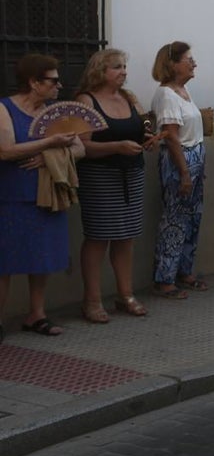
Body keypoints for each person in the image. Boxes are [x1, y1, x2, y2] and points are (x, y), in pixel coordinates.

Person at [0, 54, 85, 340]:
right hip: (12, 194)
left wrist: (49, 157)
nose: (59, 85)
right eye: (53, 80)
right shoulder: (4, 109)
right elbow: (6, 150)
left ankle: (36, 314)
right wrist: (49, 143)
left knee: (41, 257)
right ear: (34, 82)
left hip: (46, 195)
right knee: (5, 259)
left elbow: (79, 150)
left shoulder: (54, 113)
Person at [74, 49, 152, 322]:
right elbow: (81, 145)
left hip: (132, 173)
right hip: (99, 176)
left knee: (126, 236)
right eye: (117, 67)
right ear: (100, 71)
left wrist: (151, 136)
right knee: (98, 237)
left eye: (124, 67)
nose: (124, 72)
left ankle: (125, 294)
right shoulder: (86, 100)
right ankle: (92, 301)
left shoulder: (129, 98)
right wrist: (116, 146)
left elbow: (145, 126)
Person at [151, 41, 207, 299]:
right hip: (180, 160)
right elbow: (172, 137)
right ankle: (165, 279)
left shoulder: (183, 91)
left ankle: (184, 271)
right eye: (188, 58)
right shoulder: (166, 94)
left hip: (194, 157)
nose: (193, 62)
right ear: (172, 64)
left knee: (192, 217)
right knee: (174, 219)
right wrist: (184, 173)